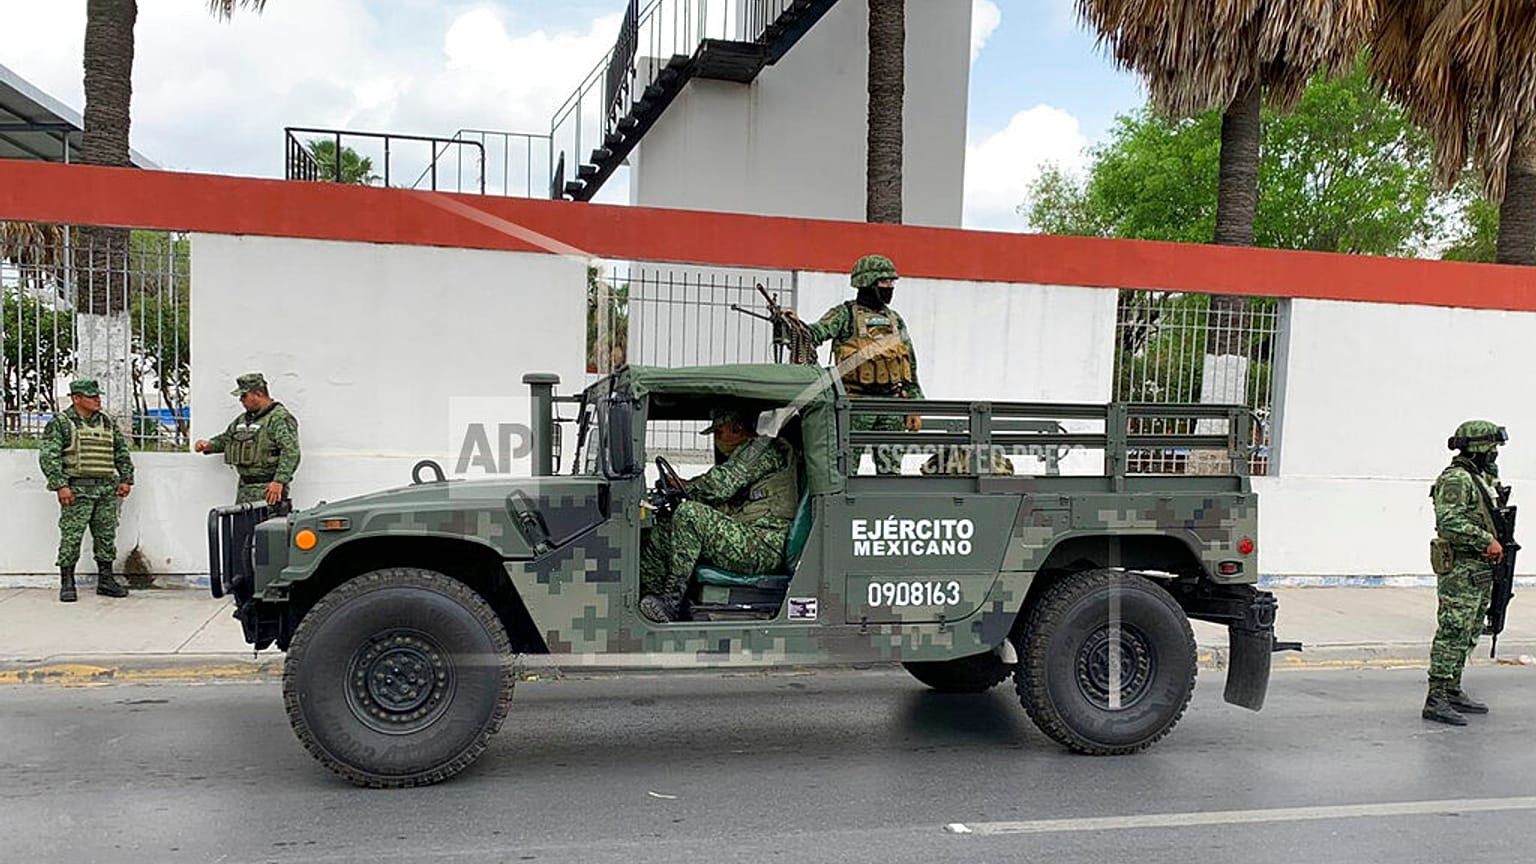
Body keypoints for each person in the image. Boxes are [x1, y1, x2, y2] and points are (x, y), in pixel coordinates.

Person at [638, 405, 799, 623]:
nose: (716, 439)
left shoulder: (761, 450)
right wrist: (685, 486)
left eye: (719, 432)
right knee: (663, 529)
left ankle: (671, 603)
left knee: (689, 515)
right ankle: (651, 599)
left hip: (764, 546)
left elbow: (719, 486)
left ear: (738, 427)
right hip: (747, 539)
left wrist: (687, 487)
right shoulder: (745, 453)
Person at [791, 254, 922, 474]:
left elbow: (909, 366)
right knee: (846, 470)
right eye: (884, 282)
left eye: (892, 282)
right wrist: (794, 326)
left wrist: (915, 407)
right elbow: (815, 334)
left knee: (890, 473)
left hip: (891, 405)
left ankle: (887, 509)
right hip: (855, 406)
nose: (890, 287)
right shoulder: (845, 315)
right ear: (867, 282)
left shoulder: (895, 319)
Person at [1423, 419, 1511, 725]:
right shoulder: (1457, 479)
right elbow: (1449, 522)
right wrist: (1486, 540)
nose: (1495, 453)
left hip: (1480, 567)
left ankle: (1452, 688)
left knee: (1471, 629)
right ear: (1476, 447)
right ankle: (1435, 698)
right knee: (1453, 629)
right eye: (1492, 447)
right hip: (1461, 567)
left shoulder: (1480, 478)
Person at [38, 379, 134, 602]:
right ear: (76, 398)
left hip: (105, 491)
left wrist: (126, 479)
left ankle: (106, 580)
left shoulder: (107, 422)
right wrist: (61, 485)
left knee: (106, 536)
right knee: (71, 537)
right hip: (77, 491)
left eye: (97, 396)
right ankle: (68, 582)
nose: (97, 400)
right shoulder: (61, 423)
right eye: (91, 397)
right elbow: (48, 457)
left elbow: (120, 451)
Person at [194, 373, 301, 506]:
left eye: (244, 395)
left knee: (265, 527)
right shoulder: (243, 420)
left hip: (268, 491)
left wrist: (279, 481)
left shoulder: (279, 418)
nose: (241, 400)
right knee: (242, 526)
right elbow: (227, 439)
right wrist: (208, 445)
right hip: (245, 489)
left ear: (259, 394)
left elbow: (291, 451)